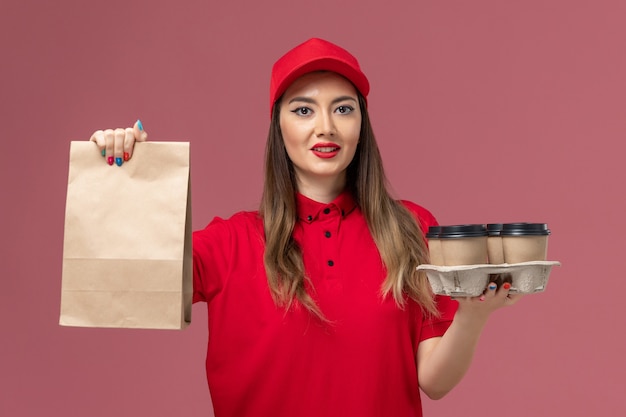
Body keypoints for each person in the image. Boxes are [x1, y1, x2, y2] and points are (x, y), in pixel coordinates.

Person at [89, 38, 521, 417]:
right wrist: (124, 180)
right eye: (303, 109)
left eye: (343, 109)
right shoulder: (230, 243)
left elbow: (434, 380)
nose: (325, 127)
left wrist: (473, 315)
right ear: (279, 126)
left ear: (361, 126)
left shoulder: (412, 228)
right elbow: (126, 286)